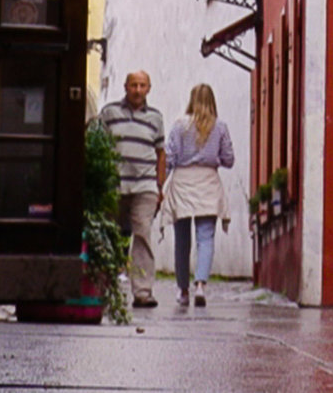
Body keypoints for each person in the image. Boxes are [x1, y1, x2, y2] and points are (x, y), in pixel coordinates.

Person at [94, 71, 169, 307]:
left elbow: (161, 153)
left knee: (142, 234)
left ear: (149, 88)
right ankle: (104, 289)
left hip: (145, 185)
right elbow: (98, 145)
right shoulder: (109, 113)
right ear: (126, 87)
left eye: (142, 85)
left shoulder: (155, 118)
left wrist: (159, 186)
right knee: (109, 237)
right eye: (134, 85)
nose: (137, 89)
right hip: (114, 185)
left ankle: (143, 292)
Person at [164, 82, 235, 307]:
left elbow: (169, 159)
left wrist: (159, 186)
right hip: (207, 183)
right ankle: (201, 285)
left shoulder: (179, 126)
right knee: (206, 238)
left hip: (183, 182)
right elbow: (229, 159)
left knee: (182, 240)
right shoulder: (220, 127)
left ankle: (183, 290)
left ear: (191, 100)